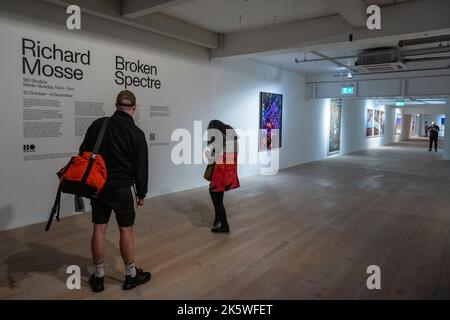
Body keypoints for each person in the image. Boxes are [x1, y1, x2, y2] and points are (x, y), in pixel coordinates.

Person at [79, 90, 151, 292]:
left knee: (99, 229)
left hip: (98, 187)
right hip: (121, 189)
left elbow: (83, 153)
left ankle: (99, 277)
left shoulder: (98, 125)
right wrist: (141, 193)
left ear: (116, 105)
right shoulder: (136, 133)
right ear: (134, 108)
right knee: (125, 229)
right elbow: (141, 167)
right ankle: (130, 276)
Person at [205, 120, 240, 233]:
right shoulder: (231, 134)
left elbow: (213, 156)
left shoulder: (220, 139)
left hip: (221, 171)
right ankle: (218, 218)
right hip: (229, 170)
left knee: (216, 196)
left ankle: (225, 226)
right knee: (217, 195)